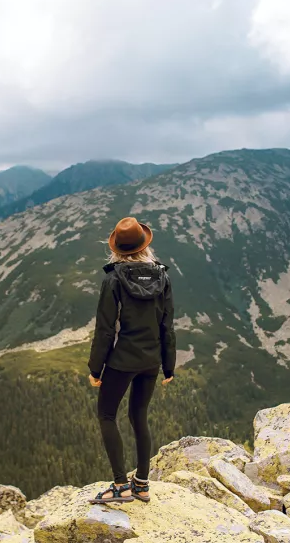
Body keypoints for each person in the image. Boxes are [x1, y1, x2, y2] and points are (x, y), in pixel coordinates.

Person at [87, 216, 176, 504]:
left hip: (122, 360)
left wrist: (95, 369)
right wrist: (168, 366)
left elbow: (104, 328)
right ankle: (142, 484)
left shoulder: (114, 279)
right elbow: (167, 326)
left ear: (117, 249)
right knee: (139, 417)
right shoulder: (163, 277)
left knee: (107, 415)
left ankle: (120, 485)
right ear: (144, 246)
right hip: (151, 361)